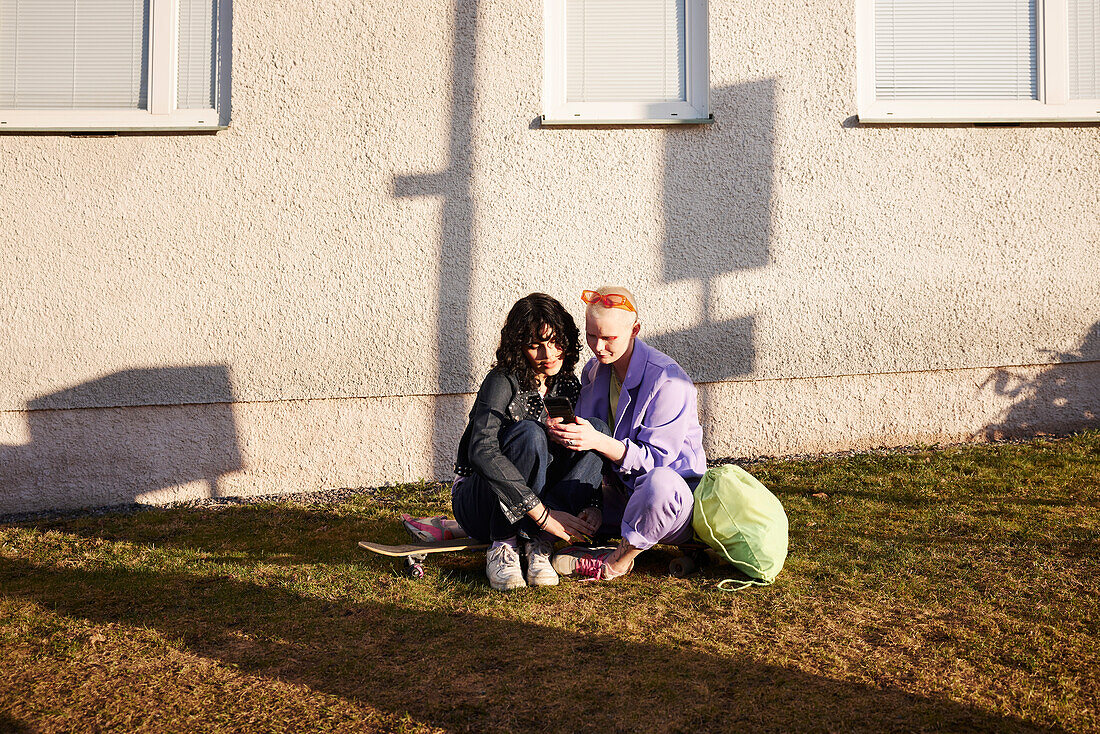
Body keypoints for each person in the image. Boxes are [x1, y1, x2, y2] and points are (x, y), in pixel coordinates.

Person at [547, 286, 706, 581]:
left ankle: (618, 560)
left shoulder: (669, 380)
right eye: (592, 335)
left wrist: (597, 439)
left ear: (635, 329)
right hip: (620, 494)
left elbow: (656, 463)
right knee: (551, 484)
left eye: (609, 338)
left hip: (675, 498)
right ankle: (520, 540)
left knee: (658, 485)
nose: (598, 347)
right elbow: (590, 447)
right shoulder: (594, 371)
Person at [450, 293, 606, 590]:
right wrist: (541, 513)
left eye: (555, 342)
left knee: (595, 430)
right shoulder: (501, 380)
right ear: (518, 347)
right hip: (481, 501)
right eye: (535, 345)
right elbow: (481, 450)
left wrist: (594, 504)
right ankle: (503, 547)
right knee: (529, 434)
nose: (548, 355)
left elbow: (573, 457)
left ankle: (538, 546)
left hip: (537, 505)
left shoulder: (567, 383)